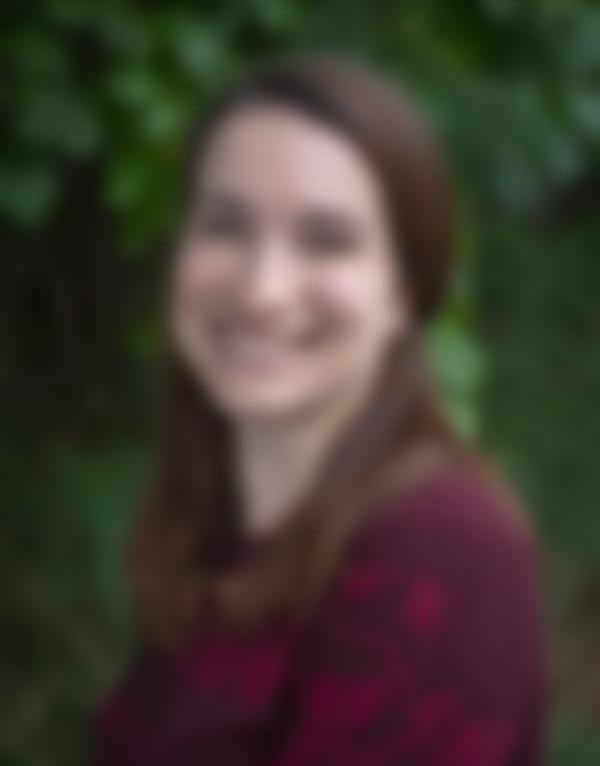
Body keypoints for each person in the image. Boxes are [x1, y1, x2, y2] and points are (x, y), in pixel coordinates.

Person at [93, 53, 548, 765]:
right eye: (225, 225)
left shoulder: (440, 550)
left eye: (327, 240)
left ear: (403, 295)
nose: (263, 291)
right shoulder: (218, 533)